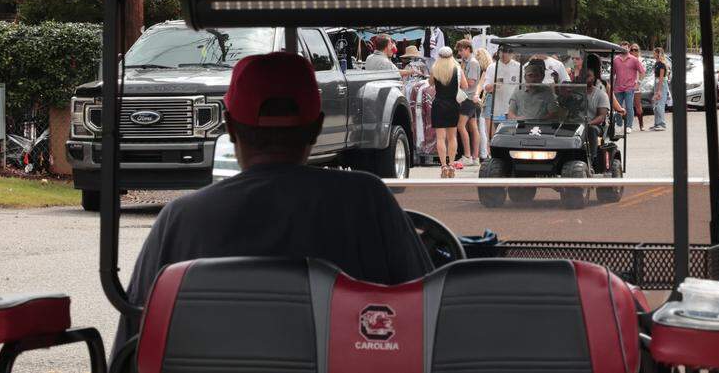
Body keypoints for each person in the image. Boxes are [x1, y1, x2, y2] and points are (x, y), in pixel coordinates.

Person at [111, 53, 430, 360]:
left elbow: (134, 344)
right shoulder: (367, 202)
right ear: (317, 127)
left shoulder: (180, 220)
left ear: (230, 127)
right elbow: (426, 315)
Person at [429, 46, 462, 178]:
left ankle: (443, 166)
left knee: (440, 138)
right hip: (453, 104)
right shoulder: (457, 69)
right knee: (452, 137)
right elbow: (464, 85)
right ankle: (452, 165)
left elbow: (430, 83)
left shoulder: (435, 69)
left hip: (439, 104)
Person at [480, 46, 521, 140]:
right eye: (501, 52)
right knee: (496, 134)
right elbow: (486, 87)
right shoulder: (492, 67)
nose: (503, 54)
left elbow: (523, 87)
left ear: (512, 54)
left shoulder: (518, 67)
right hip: (497, 108)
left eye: (506, 52)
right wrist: (494, 85)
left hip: (512, 108)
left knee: (511, 134)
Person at [454, 39, 481, 169]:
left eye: (461, 50)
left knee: (460, 126)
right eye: (459, 50)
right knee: (473, 127)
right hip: (470, 98)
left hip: (468, 98)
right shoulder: (467, 62)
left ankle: (468, 156)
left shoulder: (473, 63)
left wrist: (458, 81)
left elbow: (470, 82)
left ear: (468, 49)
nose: (459, 53)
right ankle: (474, 158)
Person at [612, 42, 646, 131]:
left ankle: (629, 126)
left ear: (628, 48)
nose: (624, 49)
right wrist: (610, 85)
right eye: (622, 48)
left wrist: (638, 82)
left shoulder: (634, 59)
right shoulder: (616, 59)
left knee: (629, 107)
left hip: (629, 87)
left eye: (626, 48)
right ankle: (619, 124)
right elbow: (613, 73)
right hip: (618, 88)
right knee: (617, 107)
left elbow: (642, 72)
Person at [473, 47, 493, 162]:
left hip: (483, 101)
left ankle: (484, 154)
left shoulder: (485, 71)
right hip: (483, 100)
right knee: (484, 129)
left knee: (484, 129)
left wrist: (476, 95)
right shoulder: (488, 70)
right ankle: (484, 153)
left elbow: (480, 86)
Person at [650, 47, 670, 131]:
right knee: (655, 104)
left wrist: (659, 90)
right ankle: (657, 123)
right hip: (656, 83)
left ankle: (662, 124)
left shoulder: (662, 64)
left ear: (658, 54)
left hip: (661, 84)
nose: (653, 54)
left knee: (660, 105)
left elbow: (661, 78)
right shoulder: (656, 63)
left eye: (654, 53)